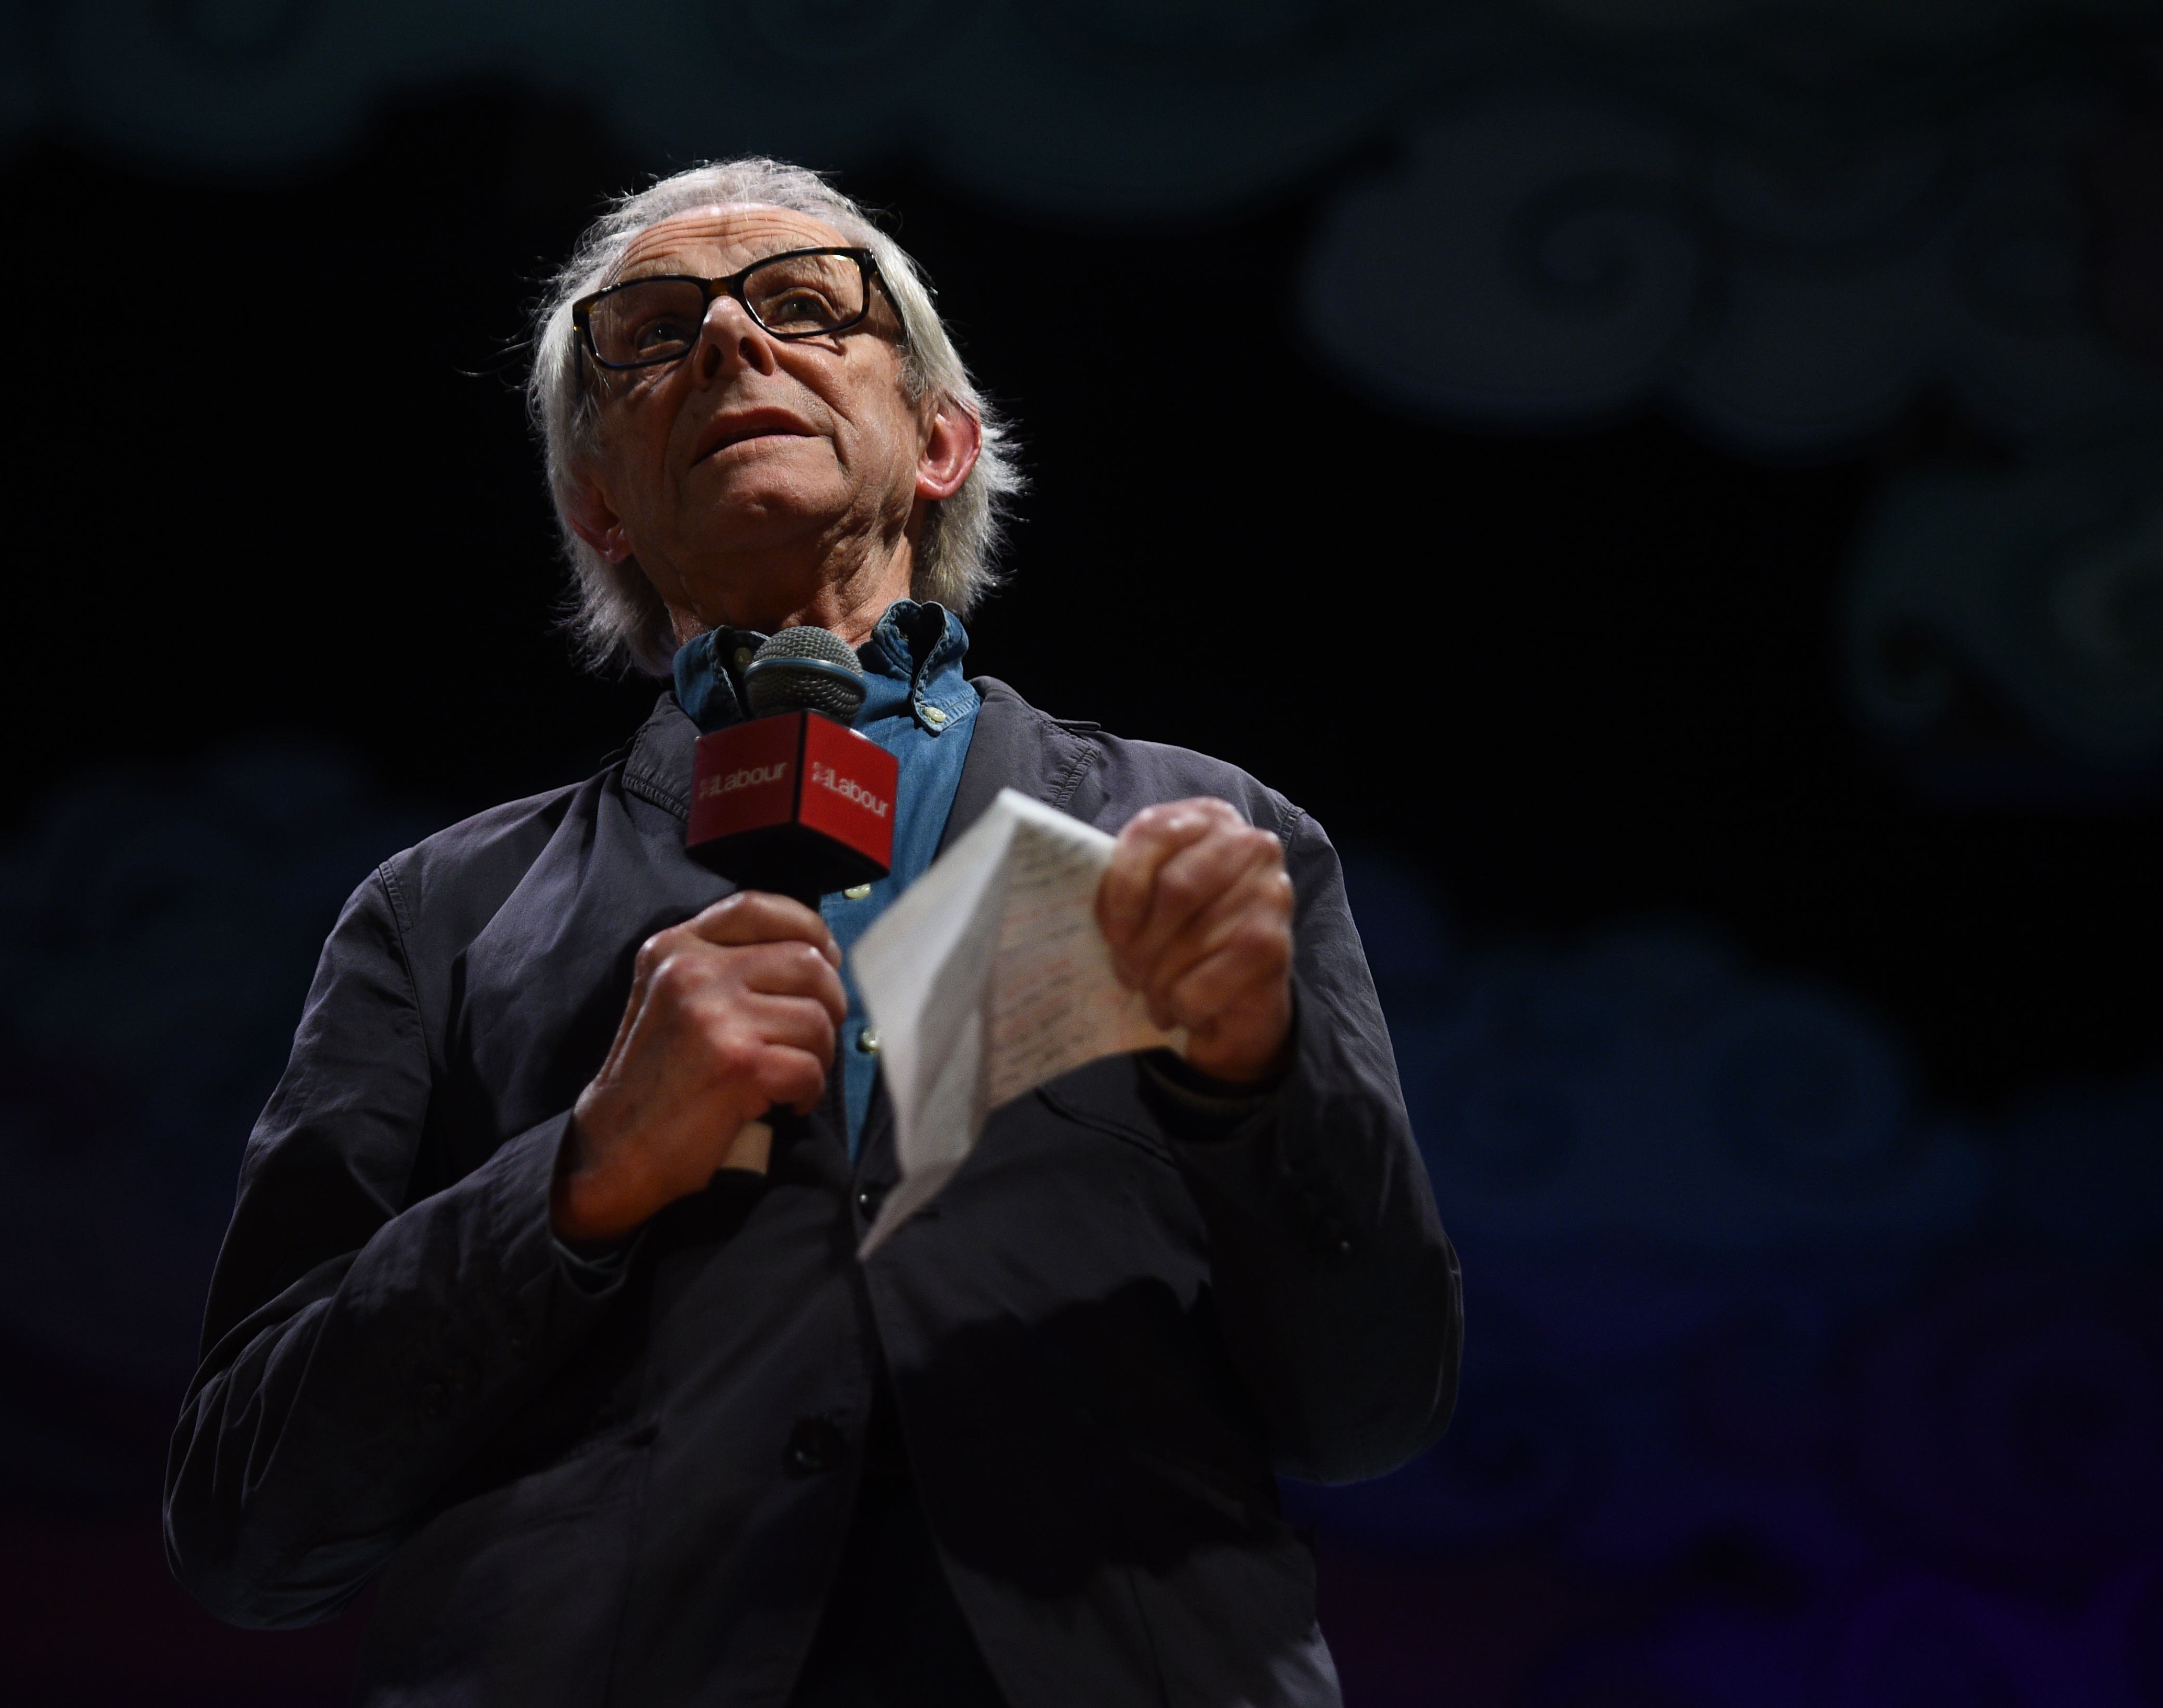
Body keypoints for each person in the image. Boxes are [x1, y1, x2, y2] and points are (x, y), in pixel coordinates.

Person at [165, 158, 1461, 1707]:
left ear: (938, 442)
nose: (729, 345)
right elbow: (246, 1526)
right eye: (650, 334)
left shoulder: (1202, 839)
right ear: (598, 504)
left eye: (801, 307)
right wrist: (576, 1179)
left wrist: (1251, 1085)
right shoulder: (436, 915)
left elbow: (1372, 1406)